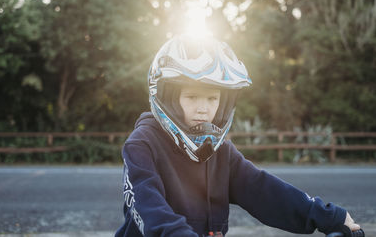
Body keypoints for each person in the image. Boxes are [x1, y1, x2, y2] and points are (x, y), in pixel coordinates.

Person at [115, 35, 360, 237]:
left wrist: (329, 217)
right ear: (168, 97)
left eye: (213, 99)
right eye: (191, 97)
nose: (204, 109)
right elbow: (149, 208)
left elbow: (264, 190)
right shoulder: (141, 145)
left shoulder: (221, 152)